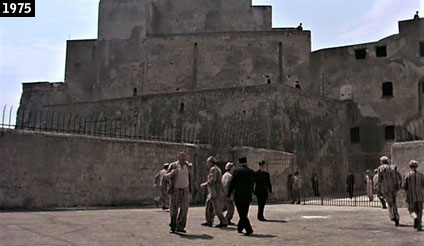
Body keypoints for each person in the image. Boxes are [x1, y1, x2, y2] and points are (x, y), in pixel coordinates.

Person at [165, 151, 193, 233]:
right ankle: (173, 226)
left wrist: (191, 189)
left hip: (185, 189)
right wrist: (171, 174)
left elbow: (191, 177)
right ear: (178, 157)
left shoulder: (188, 166)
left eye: (185, 156)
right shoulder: (173, 165)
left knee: (184, 208)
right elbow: (165, 177)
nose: (184, 158)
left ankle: (180, 226)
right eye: (182, 156)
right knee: (174, 209)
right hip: (175, 189)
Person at [227, 157, 256, 235]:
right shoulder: (251, 172)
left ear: (239, 163)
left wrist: (229, 194)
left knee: (241, 213)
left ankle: (249, 229)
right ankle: (240, 227)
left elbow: (232, 184)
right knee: (244, 213)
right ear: (246, 163)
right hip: (247, 195)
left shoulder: (237, 172)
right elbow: (253, 183)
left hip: (238, 195)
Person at [200, 156, 228, 228]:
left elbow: (212, 180)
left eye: (208, 162)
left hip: (215, 192)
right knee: (209, 206)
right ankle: (209, 221)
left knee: (217, 208)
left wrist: (205, 184)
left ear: (211, 162)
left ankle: (223, 222)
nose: (207, 164)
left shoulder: (213, 169)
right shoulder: (217, 169)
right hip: (213, 192)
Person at [377, 156, 401, 226]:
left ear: (381, 162)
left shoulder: (380, 168)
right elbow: (399, 176)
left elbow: (379, 180)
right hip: (394, 187)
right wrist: (399, 184)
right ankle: (396, 215)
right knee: (394, 202)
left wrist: (379, 189)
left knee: (390, 203)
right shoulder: (393, 167)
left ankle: (393, 216)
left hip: (386, 188)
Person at [402, 160, 424, 231]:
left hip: (411, 196)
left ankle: (415, 218)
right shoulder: (421, 175)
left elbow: (404, 186)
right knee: (420, 210)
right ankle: (419, 225)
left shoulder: (407, 175)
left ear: (410, 166)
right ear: (416, 166)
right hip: (420, 195)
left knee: (411, 209)